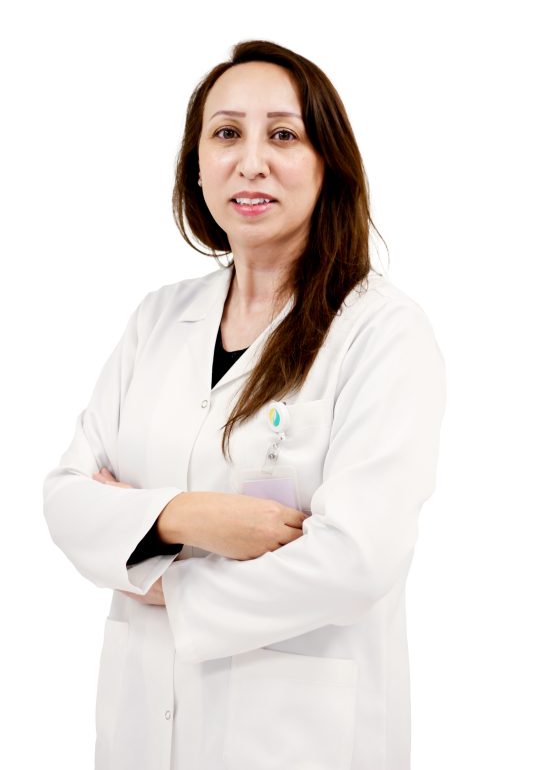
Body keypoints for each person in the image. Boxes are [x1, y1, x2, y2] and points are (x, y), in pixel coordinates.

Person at [43, 39, 446, 770]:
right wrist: (186, 518)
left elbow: (357, 559)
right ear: (196, 165)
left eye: (283, 135)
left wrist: (163, 577)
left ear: (329, 163)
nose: (251, 161)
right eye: (226, 133)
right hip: (139, 731)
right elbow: (68, 499)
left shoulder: (381, 331)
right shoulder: (158, 319)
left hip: (296, 739)